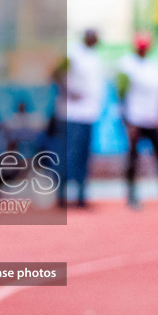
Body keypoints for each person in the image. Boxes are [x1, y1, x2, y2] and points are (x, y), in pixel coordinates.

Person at [116, 34, 158, 208]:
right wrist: (126, 119)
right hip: (135, 118)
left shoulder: (154, 66)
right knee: (133, 158)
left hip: (152, 119)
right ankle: (132, 195)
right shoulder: (127, 65)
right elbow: (121, 93)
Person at [63, 29, 104, 209]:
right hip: (73, 114)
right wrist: (68, 91)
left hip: (89, 114)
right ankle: (63, 196)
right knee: (70, 156)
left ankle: (80, 195)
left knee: (84, 157)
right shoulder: (73, 53)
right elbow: (55, 72)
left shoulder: (95, 57)